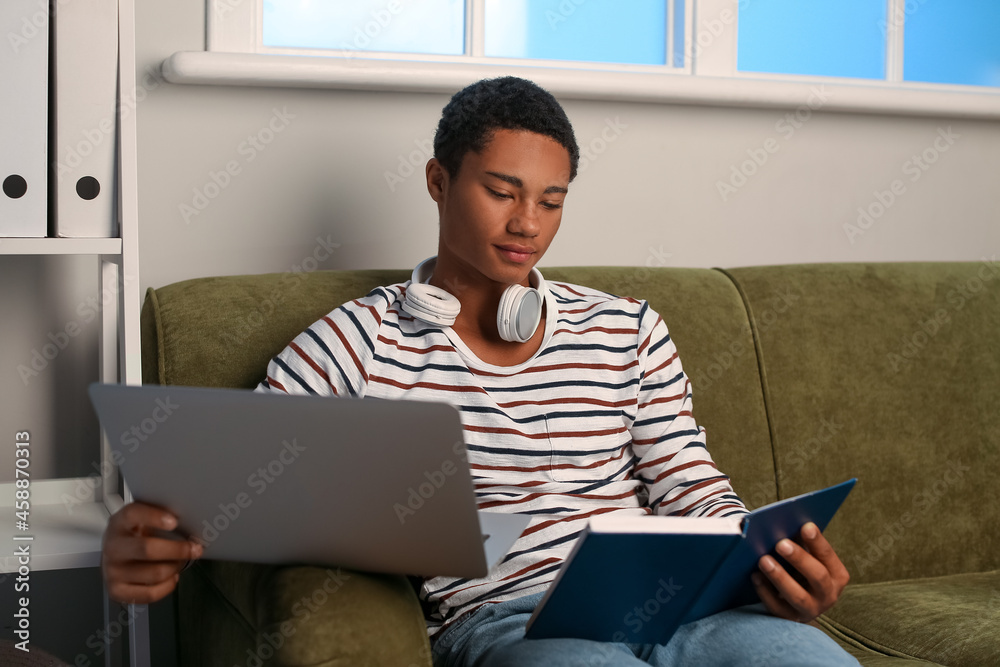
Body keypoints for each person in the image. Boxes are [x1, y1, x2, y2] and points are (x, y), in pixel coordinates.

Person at [102, 76, 857, 666]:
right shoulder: (356, 342)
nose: (528, 223)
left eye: (551, 201)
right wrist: (151, 532)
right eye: (502, 192)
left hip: (693, 611)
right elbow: (239, 486)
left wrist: (768, 560)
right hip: (512, 620)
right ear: (439, 180)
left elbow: (694, 489)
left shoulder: (629, 328)